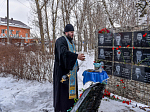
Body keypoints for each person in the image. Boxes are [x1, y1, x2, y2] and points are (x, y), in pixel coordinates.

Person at [53, 24, 85, 112]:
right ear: (66, 32)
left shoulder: (71, 42)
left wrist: (76, 65)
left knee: (70, 93)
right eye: (71, 32)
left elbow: (72, 54)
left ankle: (71, 107)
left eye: (73, 32)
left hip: (71, 72)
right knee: (63, 93)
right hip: (62, 71)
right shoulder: (60, 41)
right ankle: (62, 109)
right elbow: (63, 53)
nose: (72, 34)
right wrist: (76, 56)